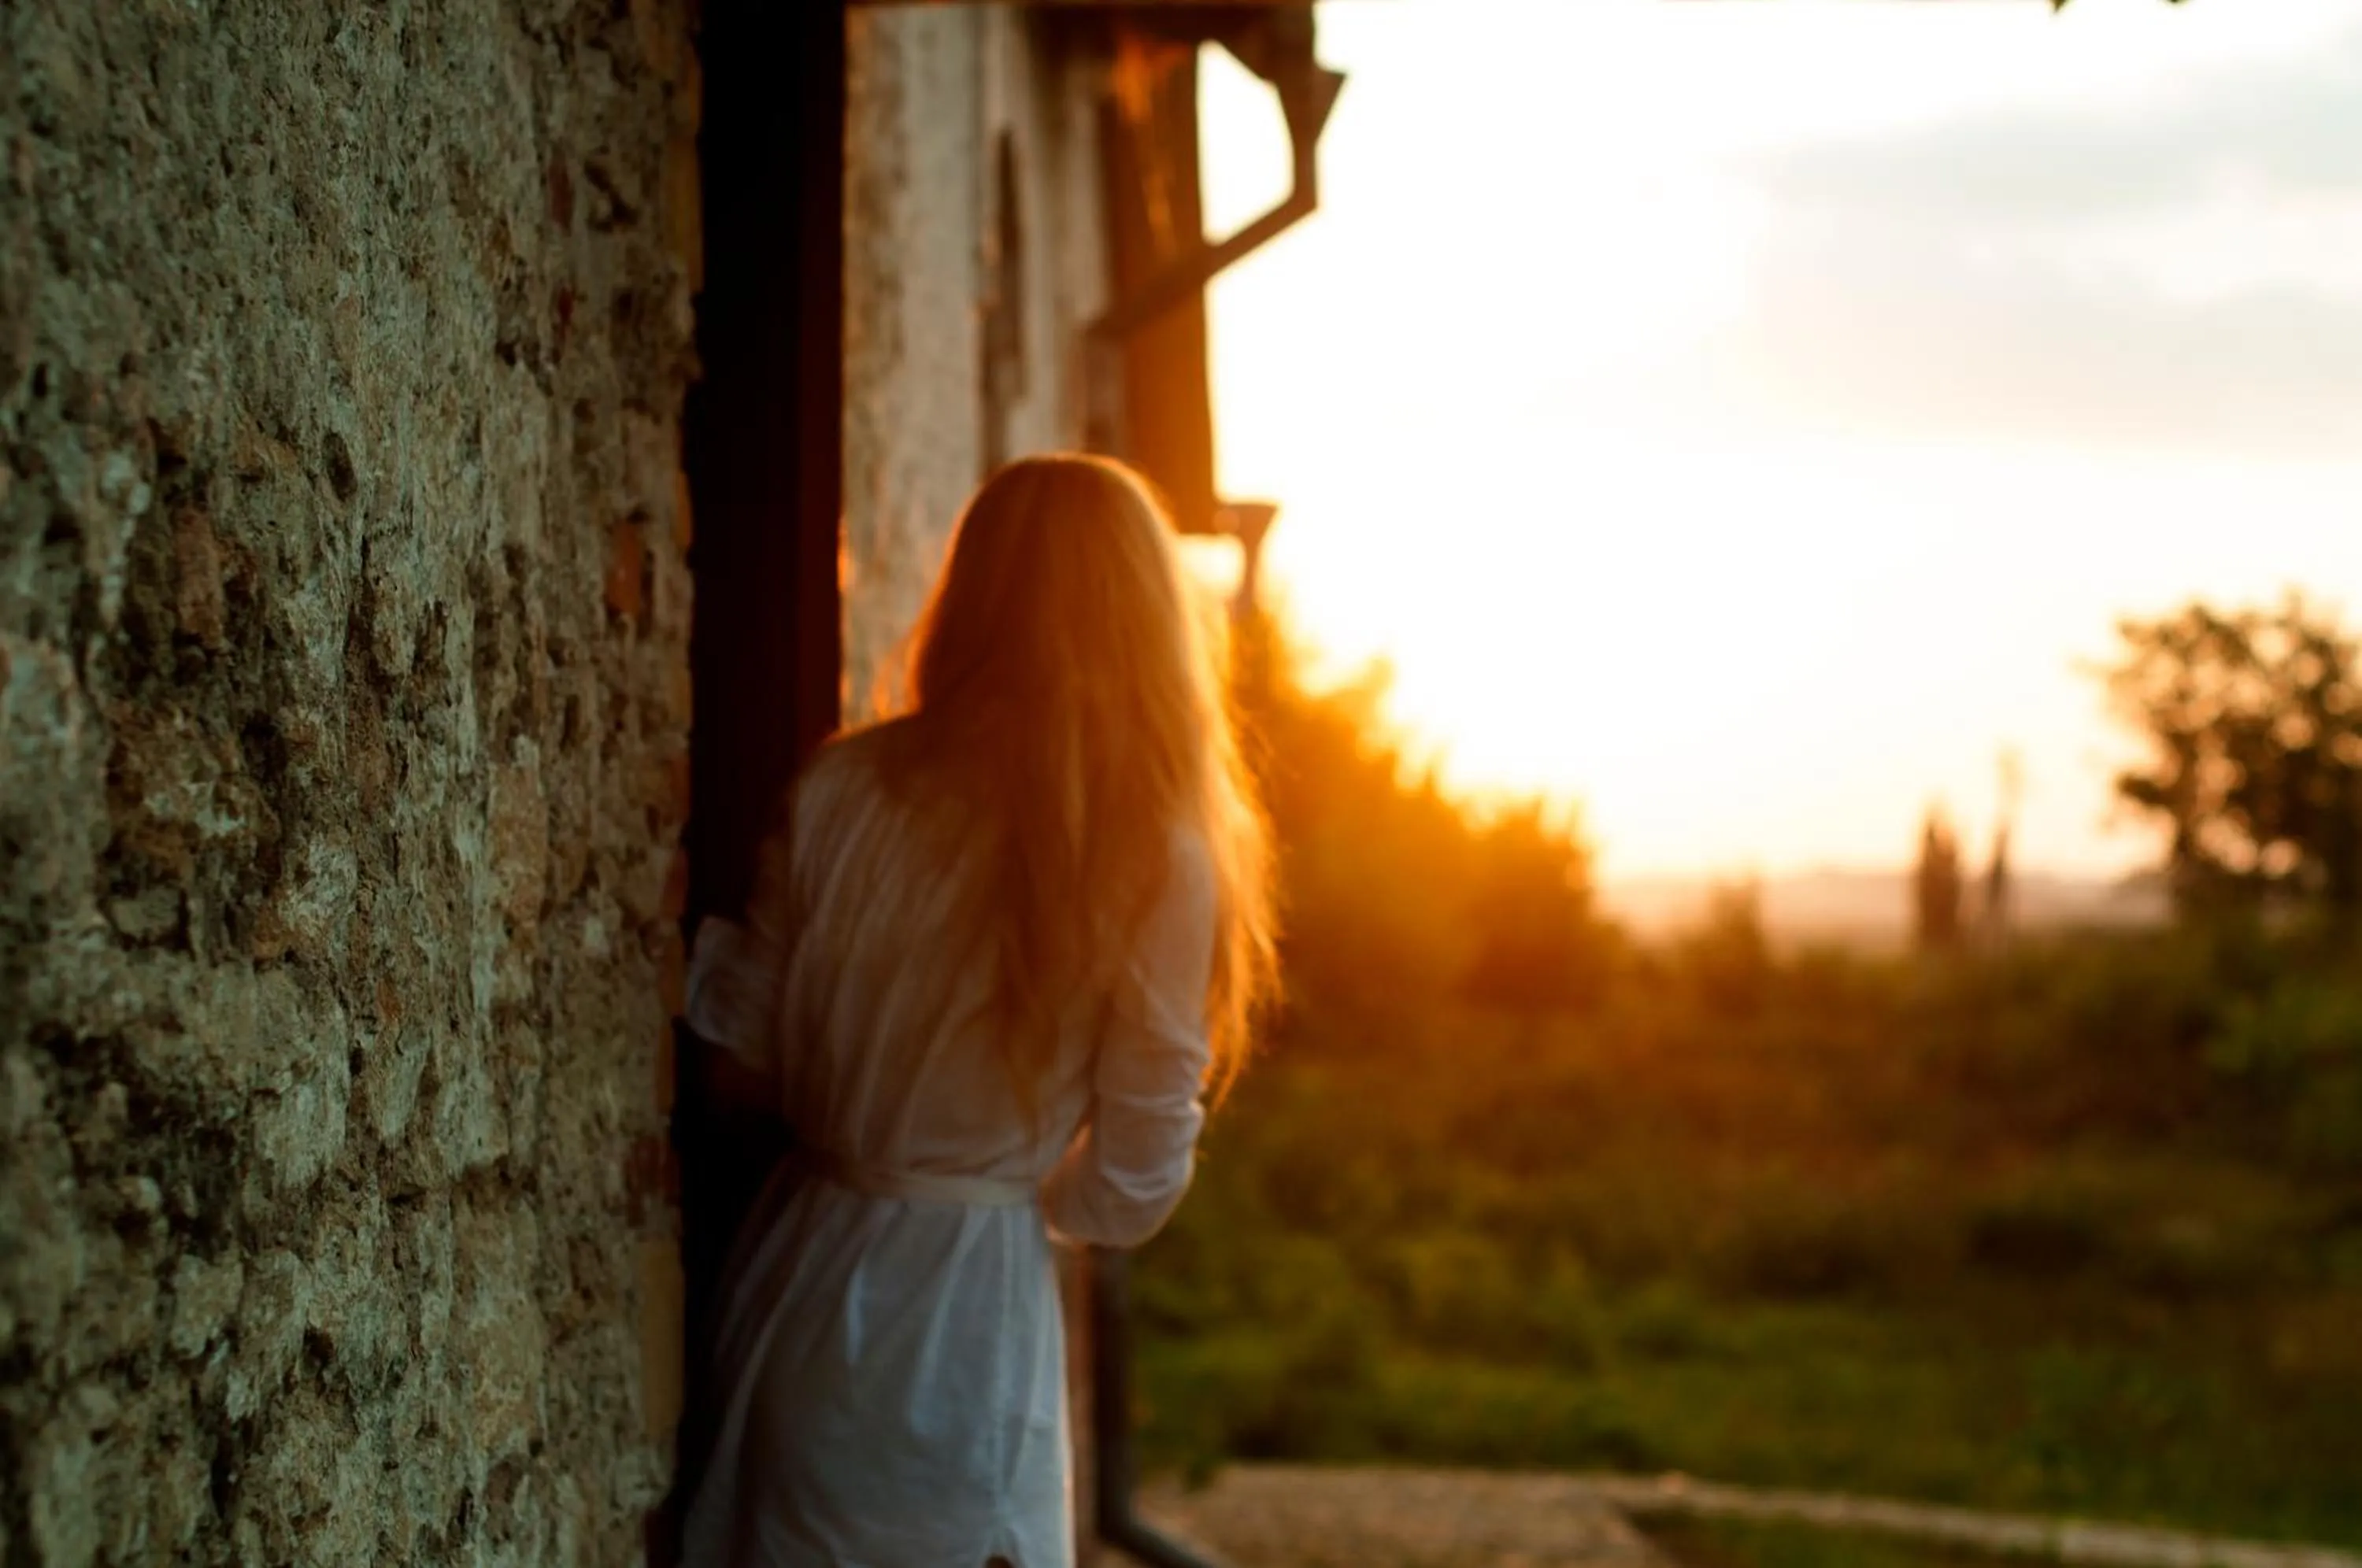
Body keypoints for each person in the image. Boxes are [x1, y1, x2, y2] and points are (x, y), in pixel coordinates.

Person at [677, 454, 1278, 1568]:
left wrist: (870, 1131)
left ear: (975, 594)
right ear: (1145, 620)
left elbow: (734, 1059)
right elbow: (1140, 1177)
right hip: (958, 1328)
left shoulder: (843, 789)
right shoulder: (1149, 848)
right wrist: (1004, 1179)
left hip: (795, 1277)